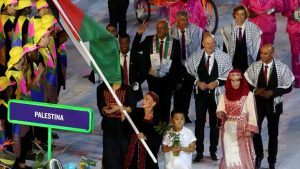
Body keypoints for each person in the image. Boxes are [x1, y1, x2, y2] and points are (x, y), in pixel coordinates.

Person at [244, 44, 294, 169]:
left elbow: (288, 86)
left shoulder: (282, 68)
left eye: (265, 53)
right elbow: (246, 82)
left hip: (274, 106)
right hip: (258, 105)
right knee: (255, 132)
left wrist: (274, 92)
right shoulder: (255, 67)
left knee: (273, 134)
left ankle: (272, 161)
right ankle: (259, 155)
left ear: (272, 54)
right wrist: (256, 91)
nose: (262, 56)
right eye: (261, 53)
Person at [186, 32, 232, 162]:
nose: (210, 46)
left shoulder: (224, 57)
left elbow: (229, 74)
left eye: (212, 43)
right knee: (199, 123)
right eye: (207, 43)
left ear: (215, 43)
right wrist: (197, 82)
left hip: (216, 96)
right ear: (203, 44)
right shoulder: (195, 57)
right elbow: (188, 73)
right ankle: (199, 152)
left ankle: (213, 151)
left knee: (214, 123)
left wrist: (217, 82)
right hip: (201, 96)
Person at [132, 19, 181, 124]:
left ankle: (164, 128)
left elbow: (178, 63)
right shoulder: (149, 40)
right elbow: (135, 48)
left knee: (166, 105)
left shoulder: (175, 43)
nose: (159, 30)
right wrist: (139, 34)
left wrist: (179, 81)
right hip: (153, 80)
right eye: (157, 28)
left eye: (162, 28)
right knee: (154, 104)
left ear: (167, 30)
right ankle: (155, 128)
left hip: (168, 80)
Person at [216, 69, 258, 169]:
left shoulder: (248, 95)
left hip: (242, 131)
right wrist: (220, 113)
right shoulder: (224, 95)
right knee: (229, 155)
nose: (235, 83)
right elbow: (220, 109)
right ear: (229, 81)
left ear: (241, 81)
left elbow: (252, 114)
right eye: (233, 81)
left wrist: (249, 130)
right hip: (228, 132)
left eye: (237, 80)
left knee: (242, 155)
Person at [170, 10, 203, 123]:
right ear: (177, 20)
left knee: (188, 91)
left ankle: (185, 114)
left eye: (187, 19)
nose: (185, 22)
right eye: (183, 20)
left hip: (189, 65)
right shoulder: (171, 31)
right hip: (177, 66)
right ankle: (176, 115)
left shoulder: (195, 30)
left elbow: (197, 48)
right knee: (178, 91)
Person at [97, 82, 137, 169]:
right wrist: (104, 110)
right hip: (109, 126)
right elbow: (100, 104)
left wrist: (122, 109)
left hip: (123, 127)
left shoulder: (127, 89)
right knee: (109, 153)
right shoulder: (102, 88)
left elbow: (132, 106)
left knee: (123, 152)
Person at [123, 91, 160, 169]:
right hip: (133, 150)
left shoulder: (158, 120)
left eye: (147, 99)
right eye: (144, 98)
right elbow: (126, 126)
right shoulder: (137, 112)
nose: (143, 101)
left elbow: (158, 139)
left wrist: (146, 137)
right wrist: (124, 114)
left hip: (148, 153)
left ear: (153, 103)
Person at [221, 5, 262, 73]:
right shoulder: (228, 29)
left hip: (248, 62)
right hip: (234, 62)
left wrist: (257, 65)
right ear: (234, 15)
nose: (240, 17)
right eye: (237, 14)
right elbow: (225, 47)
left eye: (242, 14)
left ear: (245, 15)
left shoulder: (253, 28)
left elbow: (256, 48)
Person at [118, 33, 146, 101]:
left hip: (134, 92)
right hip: (118, 93)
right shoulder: (114, 57)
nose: (124, 46)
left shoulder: (138, 57)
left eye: (126, 43)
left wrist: (137, 82)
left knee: (134, 111)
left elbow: (143, 74)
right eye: (122, 43)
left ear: (129, 42)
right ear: (119, 43)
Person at [282, 0, 300, 88]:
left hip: (294, 27)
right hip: (294, 28)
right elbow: (283, 10)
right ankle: (298, 80)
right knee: (295, 54)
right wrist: (290, 15)